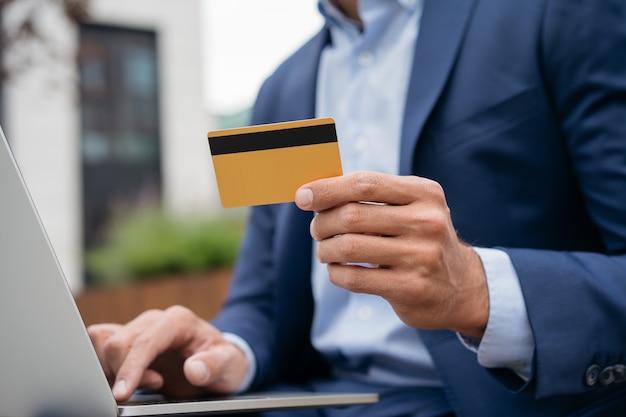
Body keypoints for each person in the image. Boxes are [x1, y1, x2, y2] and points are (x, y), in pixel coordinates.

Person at [88, 0, 626, 415]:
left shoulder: (557, 12)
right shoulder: (281, 87)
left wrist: (476, 290)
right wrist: (220, 353)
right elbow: (264, 301)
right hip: (312, 398)